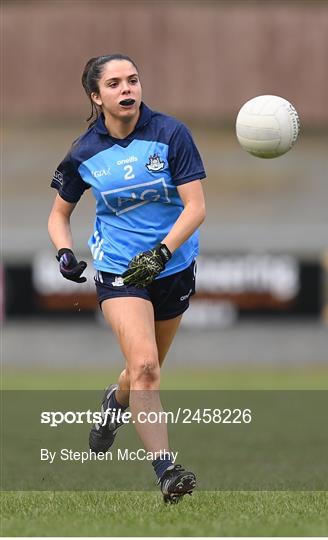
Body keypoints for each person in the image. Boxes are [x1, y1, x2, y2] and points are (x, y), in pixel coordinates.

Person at [48, 54, 206, 504]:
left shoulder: (171, 134)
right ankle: (167, 472)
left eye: (133, 80)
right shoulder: (84, 151)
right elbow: (59, 216)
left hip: (171, 267)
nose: (127, 89)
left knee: (141, 373)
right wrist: (64, 252)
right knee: (146, 369)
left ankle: (113, 404)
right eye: (115, 83)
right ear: (97, 97)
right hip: (119, 268)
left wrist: (161, 254)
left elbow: (196, 208)